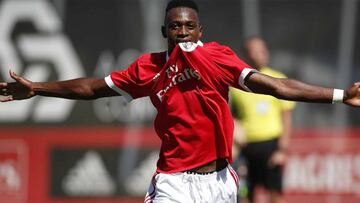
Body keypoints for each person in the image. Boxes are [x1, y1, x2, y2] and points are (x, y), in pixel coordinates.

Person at [0, 0, 360, 202]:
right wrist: (38, 88)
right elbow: (93, 88)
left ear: (200, 31)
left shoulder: (217, 57)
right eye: (176, 26)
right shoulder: (149, 68)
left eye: (189, 26)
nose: (183, 32)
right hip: (174, 183)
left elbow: (274, 86)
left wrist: (340, 95)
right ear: (165, 32)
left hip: (220, 181)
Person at [230, 37, 295, 203]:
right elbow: (233, 117)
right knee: (245, 194)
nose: (261, 54)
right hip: (247, 148)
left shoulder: (277, 80)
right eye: (256, 50)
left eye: (263, 50)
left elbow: (286, 118)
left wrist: (281, 150)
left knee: (274, 194)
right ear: (247, 55)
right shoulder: (237, 87)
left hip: (270, 146)